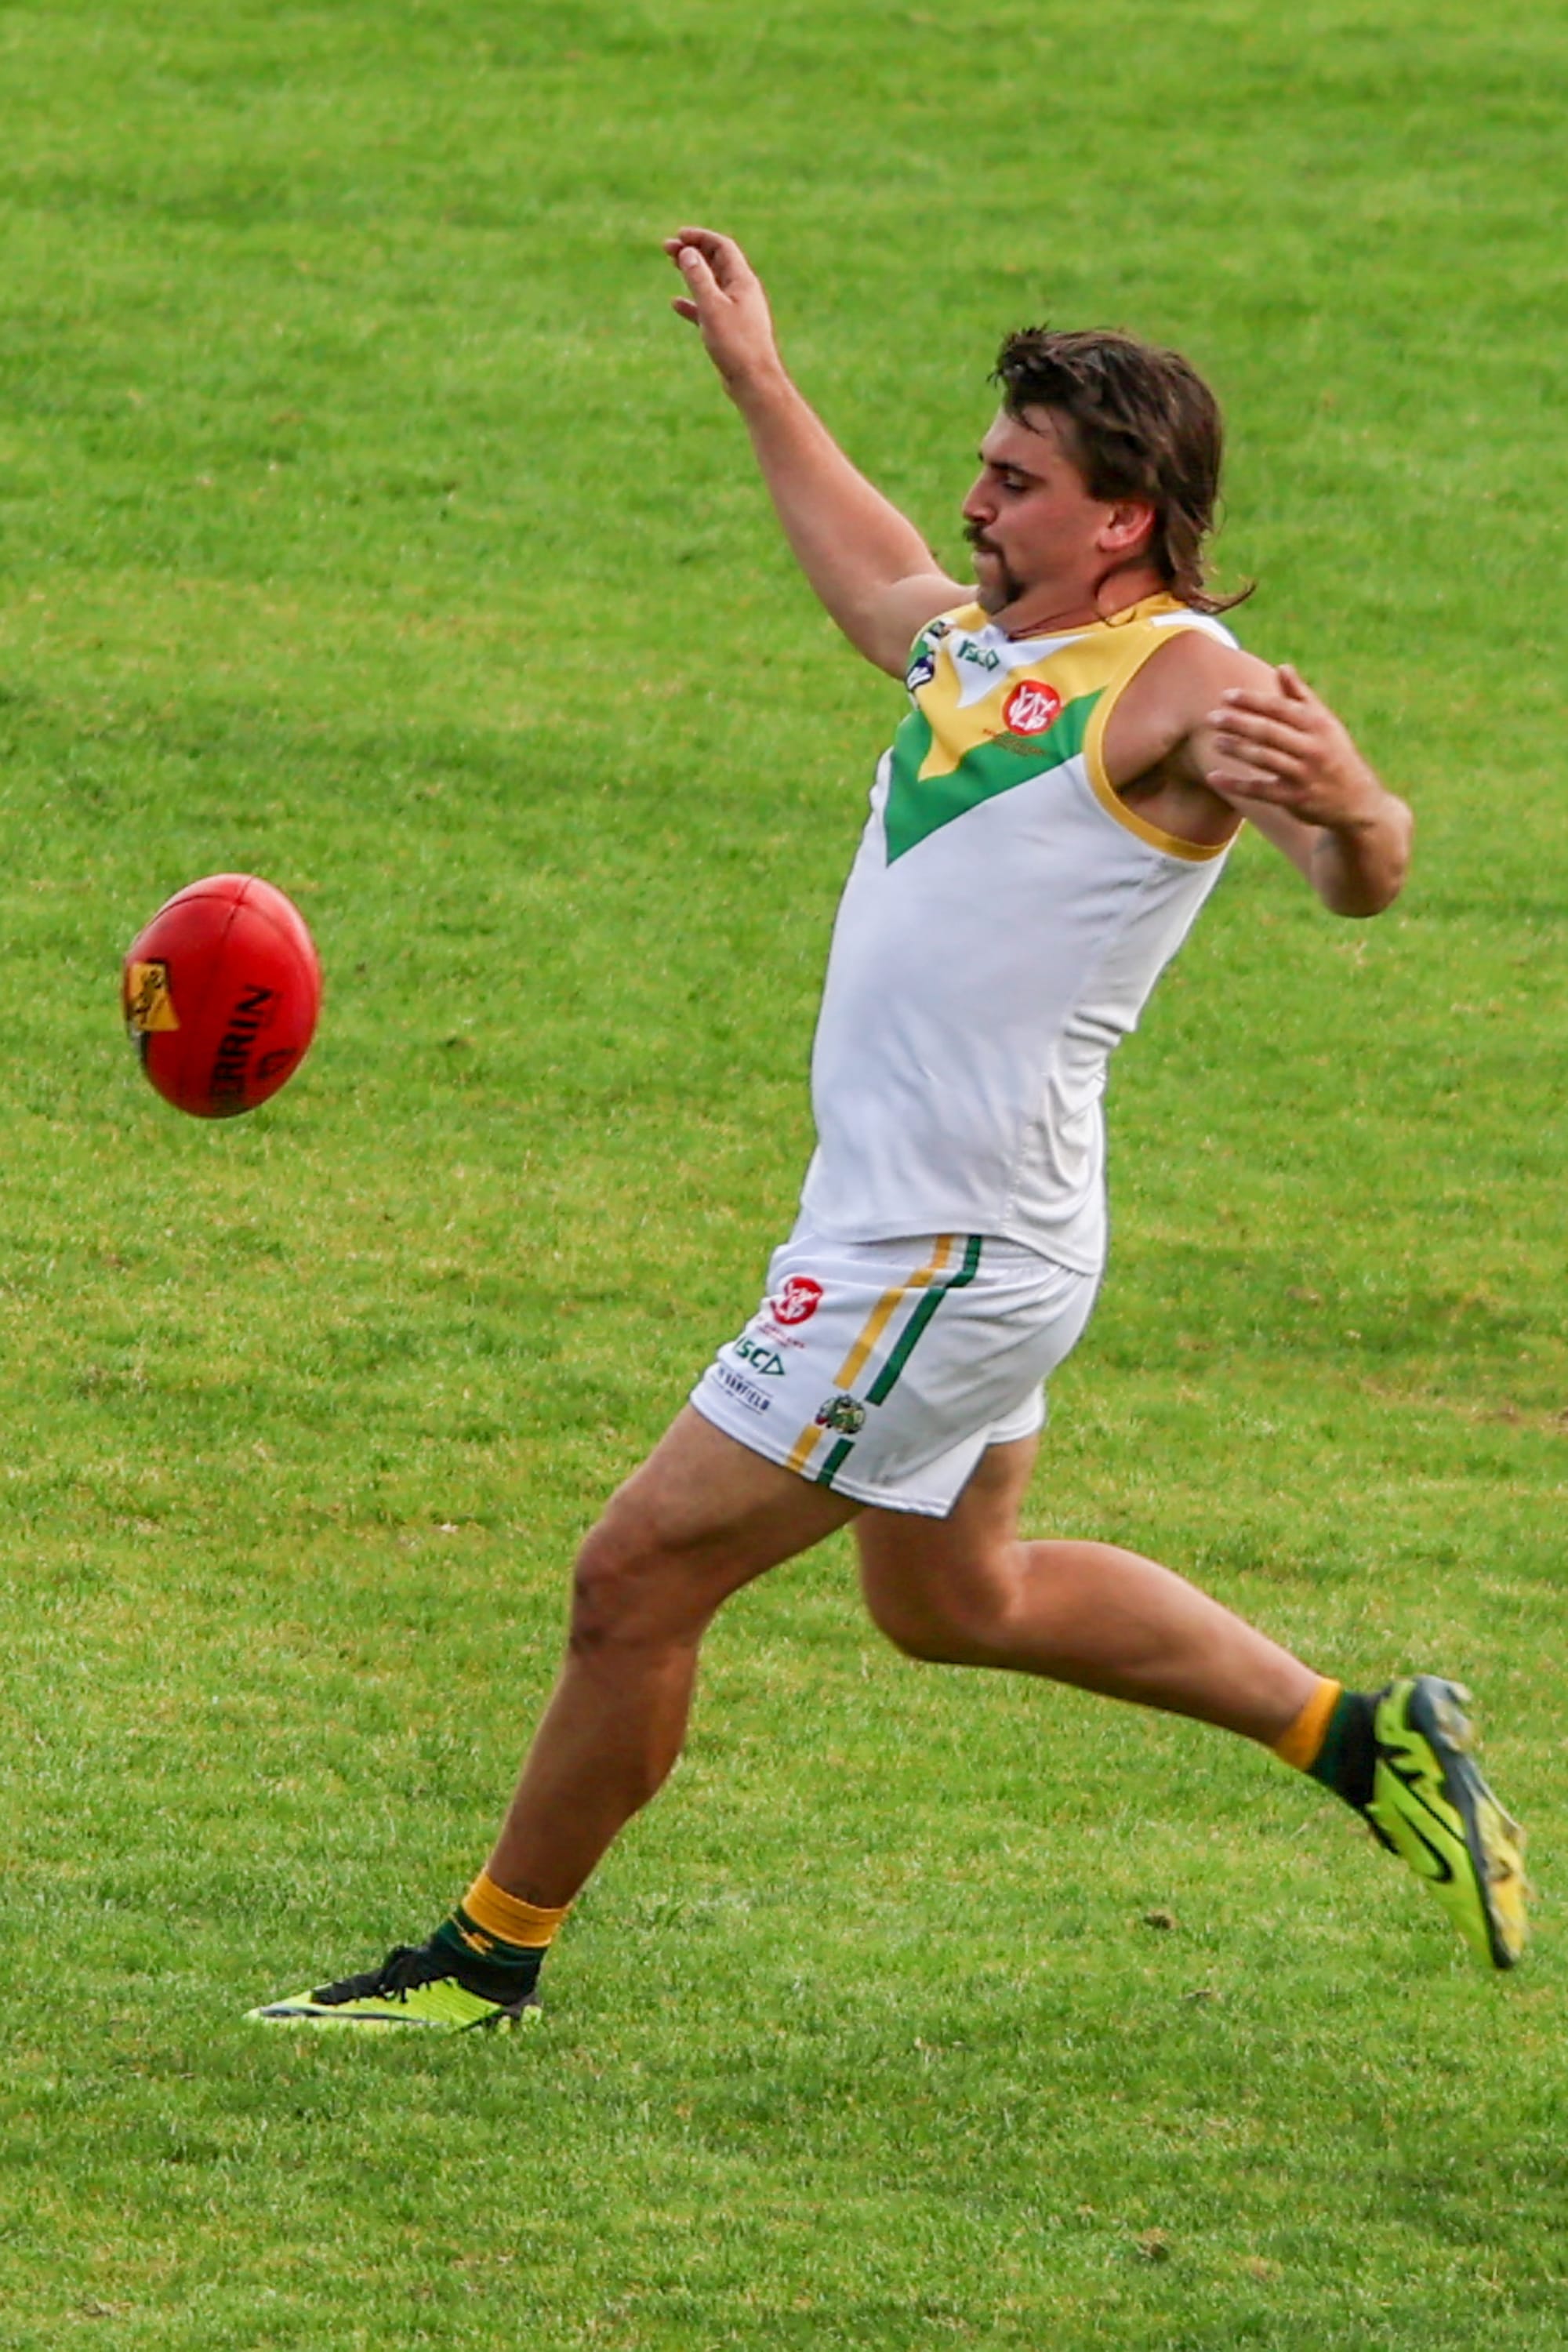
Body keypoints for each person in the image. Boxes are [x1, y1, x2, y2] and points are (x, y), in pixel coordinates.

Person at [252, 228, 1526, 2031]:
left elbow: (1350, 870)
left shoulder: (1183, 681)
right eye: (983, 470)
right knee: (953, 1601)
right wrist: (759, 378)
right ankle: (1358, 1734)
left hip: (946, 1248)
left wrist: (1362, 807)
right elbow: (876, 579)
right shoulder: (980, 653)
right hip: (939, 1223)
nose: (976, 504)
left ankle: (481, 1966)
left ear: (1124, 519)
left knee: (632, 1580)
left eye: (1017, 482)